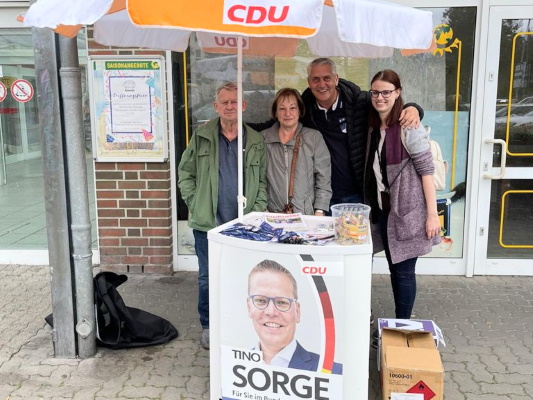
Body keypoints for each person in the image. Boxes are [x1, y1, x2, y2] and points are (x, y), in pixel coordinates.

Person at [178, 82, 268, 350]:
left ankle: (240, 323)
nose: (230, 106)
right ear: (216, 107)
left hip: (244, 224)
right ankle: (209, 325)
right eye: (224, 102)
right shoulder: (202, 136)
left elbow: (261, 181)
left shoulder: (255, 140)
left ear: (244, 106)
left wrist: (257, 210)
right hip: (209, 223)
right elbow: (186, 172)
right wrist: (195, 202)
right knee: (208, 276)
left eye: (235, 102)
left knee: (245, 276)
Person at [363, 70, 441, 346]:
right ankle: (388, 325)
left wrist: (432, 215)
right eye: (375, 92)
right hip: (382, 211)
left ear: (397, 93)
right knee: (386, 266)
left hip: (408, 212)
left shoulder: (409, 127)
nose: (380, 97)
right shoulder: (374, 125)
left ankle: (402, 327)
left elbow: (426, 171)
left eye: (386, 92)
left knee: (403, 271)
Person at [301, 58, 424, 209]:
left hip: (356, 194)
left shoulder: (360, 102)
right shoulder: (304, 109)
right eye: (315, 79)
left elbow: (388, 106)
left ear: (336, 79)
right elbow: (281, 121)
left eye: (327, 78)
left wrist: (414, 108)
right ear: (308, 82)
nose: (321, 84)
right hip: (319, 197)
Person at [247, 259, 342, 374]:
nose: (271, 311)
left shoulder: (334, 372)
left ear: (297, 311)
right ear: (249, 307)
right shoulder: (229, 365)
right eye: (261, 300)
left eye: (282, 302)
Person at [261, 88, 331, 215]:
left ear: (300, 110)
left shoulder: (314, 137)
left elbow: (323, 177)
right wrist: (263, 209)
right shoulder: (263, 139)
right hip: (272, 214)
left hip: (306, 214)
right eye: (282, 108)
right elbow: (259, 179)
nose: (287, 113)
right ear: (275, 112)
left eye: (292, 108)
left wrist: (320, 210)